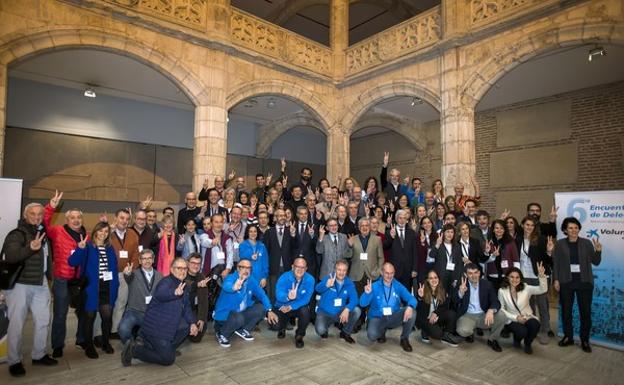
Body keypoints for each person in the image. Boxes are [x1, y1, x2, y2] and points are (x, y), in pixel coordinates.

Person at [3, 203, 57, 377]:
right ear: (25, 215)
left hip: (40, 283)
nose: (37, 217)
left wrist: (49, 277)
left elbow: (47, 258)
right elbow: (10, 256)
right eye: (32, 214)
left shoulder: (42, 233)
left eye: (40, 214)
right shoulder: (17, 234)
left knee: (43, 320)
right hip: (21, 284)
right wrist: (29, 248)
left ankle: (39, 354)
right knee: (17, 324)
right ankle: (14, 361)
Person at [121, 257, 201, 367]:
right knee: (168, 359)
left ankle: (164, 348)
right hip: (157, 328)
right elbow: (161, 294)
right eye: (179, 268)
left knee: (187, 325)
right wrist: (174, 293)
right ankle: (134, 350)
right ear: (172, 270)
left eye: (185, 268)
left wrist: (193, 323)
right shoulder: (166, 282)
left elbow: (186, 307)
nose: (183, 271)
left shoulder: (184, 285)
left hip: (168, 325)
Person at [43, 190, 88, 358]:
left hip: (79, 281)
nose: (76, 220)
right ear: (67, 219)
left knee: (83, 311)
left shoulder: (86, 236)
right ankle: (57, 345)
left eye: (79, 217)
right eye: (72, 217)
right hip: (62, 279)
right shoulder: (57, 232)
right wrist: (51, 207)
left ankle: (81, 339)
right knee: (60, 314)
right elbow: (44, 224)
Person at [69, 221, 119, 358]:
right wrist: (80, 248)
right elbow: (72, 262)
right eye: (101, 230)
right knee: (89, 318)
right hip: (91, 288)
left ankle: (105, 342)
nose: (103, 234)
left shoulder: (109, 248)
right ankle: (89, 346)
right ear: (95, 231)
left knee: (107, 317)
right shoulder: (88, 247)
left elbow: (113, 268)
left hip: (107, 287)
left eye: (106, 231)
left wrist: (116, 285)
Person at [553, 217, 602, 353]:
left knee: (585, 313)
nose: (574, 230)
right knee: (566, 312)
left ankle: (584, 339)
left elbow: (596, 262)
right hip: (566, 282)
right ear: (565, 230)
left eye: (576, 227)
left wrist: (598, 251)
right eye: (570, 228)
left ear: (579, 229)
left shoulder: (586, 243)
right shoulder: (560, 244)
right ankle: (568, 337)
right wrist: (556, 280)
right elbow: (556, 263)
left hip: (584, 282)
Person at [213, 259, 279, 347]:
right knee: (238, 318)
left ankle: (242, 329)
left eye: (248, 268)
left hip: (239, 313)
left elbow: (262, 295)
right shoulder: (231, 278)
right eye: (243, 267)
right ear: (237, 268)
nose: (246, 270)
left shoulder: (250, 279)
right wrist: (234, 287)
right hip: (225, 315)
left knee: (261, 309)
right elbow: (226, 286)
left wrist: (269, 310)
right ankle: (222, 334)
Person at [360, 262, 416, 352]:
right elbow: (362, 303)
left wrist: (410, 306)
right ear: (382, 273)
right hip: (377, 317)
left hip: (393, 316)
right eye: (386, 273)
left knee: (412, 312)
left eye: (391, 273)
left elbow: (411, 298)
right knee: (372, 336)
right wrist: (367, 293)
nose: (389, 276)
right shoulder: (374, 286)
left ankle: (404, 339)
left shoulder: (398, 285)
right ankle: (382, 331)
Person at [517, 216, 555, 343]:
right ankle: (533, 328)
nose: (529, 227)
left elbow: (549, 261)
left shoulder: (541, 240)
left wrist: (549, 252)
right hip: (523, 277)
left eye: (532, 225)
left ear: (535, 227)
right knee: (528, 305)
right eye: (527, 224)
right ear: (522, 225)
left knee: (542, 305)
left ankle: (545, 330)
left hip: (538, 276)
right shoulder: (518, 239)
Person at [455, 263, 506, 352]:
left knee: (502, 315)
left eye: (476, 272)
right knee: (463, 331)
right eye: (470, 273)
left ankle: (492, 339)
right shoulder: (462, 284)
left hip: (483, 315)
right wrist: (460, 293)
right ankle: (470, 332)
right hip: (468, 315)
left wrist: (491, 310)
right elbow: (454, 301)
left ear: (479, 273)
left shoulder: (487, 284)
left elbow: (496, 302)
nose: (474, 275)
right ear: (465, 275)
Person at [498, 264, 548, 354]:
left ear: (520, 278)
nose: (515, 280)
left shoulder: (526, 287)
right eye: (512, 277)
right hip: (512, 318)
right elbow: (501, 309)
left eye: (517, 277)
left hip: (527, 316)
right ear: (507, 278)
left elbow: (542, 289)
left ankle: (527, 343)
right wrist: (516, 318)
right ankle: (517, 339)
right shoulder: (502, 291)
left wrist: (541, 276)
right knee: (522, 332)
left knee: (535, 325)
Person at [118, 249, 163, 344]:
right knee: (123, 330)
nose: (147, 261)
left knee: (158, 335)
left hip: (152, 313)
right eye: (144, 259)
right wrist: (127, 273)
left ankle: (142, 338)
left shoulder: (160, 276)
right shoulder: (133, 273)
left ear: (153, 260)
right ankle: (130, 345)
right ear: (139, 261)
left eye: (149, 258)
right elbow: (128, 277)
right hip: (134, 311)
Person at [269, 257, 314, 348]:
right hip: (282, 305)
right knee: (275, 326)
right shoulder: (284, 277)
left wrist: (291, 306)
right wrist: (288, 297)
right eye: (297, 266)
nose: (300, 269)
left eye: (303, 267)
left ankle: (299, 335)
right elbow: (278, 295)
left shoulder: (310, 279)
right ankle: (282, 328)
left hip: (297, 306)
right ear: (292, 267)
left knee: (305, 312)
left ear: (306, 269)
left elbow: (306, 299)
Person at [109, 208, 140, 338]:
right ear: (116, 218)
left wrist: (131, 268)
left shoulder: (133, 234)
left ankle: (115, 330)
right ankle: (100, 332)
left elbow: (135, 254)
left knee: (121, 302)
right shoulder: (108, 233)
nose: (124, 221)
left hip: (124, 274)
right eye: (122, 218)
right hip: (108, 274)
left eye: (127, 219)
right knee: (106, 303)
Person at [314, 260, 361, 343]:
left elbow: (355, 299)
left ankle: (345, 333)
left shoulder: (349, 283)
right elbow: (317, 289)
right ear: (335, 270)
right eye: (339, 270)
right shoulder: (329, 278)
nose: (341, 272)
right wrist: (326, 285)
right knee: (320, 330)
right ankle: (325, 328)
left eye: (344, 270)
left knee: (357, 311)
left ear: (347, 271)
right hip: (325, 313)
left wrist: (347, 309)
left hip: (340, 313)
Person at [415, 270, 458, 346]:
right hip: (426, 319)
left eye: (435, 277)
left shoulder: (442, 290)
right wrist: (420, 298)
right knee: (437, 334)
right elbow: (419, 312)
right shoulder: (422, 290)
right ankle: (425, 331)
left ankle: (446, 336)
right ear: (427, 280)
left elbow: (444, 307)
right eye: (431, 278)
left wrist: (436, 313)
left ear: (438, 278)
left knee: (452, 314)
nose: (434, 280)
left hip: (436, 317)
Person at [264, 209, 299, 301]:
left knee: (287, 291)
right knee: (273, 292)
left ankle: (286, 313)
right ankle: (273, 313)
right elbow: (265, 252)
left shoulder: (290, 231)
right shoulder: (269, 232)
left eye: (284, 215)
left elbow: (295, 248)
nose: (283, 217)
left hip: (287, 267)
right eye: (280, 215)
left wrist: (293, 235)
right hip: (273, 268)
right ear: (275, 218)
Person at [384, 209, 417, 292]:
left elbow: (415, 252)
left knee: (406, 294)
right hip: (394, 270)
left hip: (408, 270)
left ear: (407, 220)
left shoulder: (412, 233)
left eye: (404, 218)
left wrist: (414, 269)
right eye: (400, 218)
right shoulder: (389, 232)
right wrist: (391, 237)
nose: (402, 220)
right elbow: (385, 247)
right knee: (394, 293)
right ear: (396, 219)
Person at [184, 253, 211, 343]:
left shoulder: (201, 277)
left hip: (195, 310)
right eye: (193, 263)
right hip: (183, 311)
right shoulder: (182, 275)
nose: (196, 266)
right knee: (185, 328)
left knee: (197, 337)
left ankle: (189, 329)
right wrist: (196, 285)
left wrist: (201, 318)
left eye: (198, 263)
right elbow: (187, 286)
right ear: (187, 263)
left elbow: (204, 301)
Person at [199, 213, 233, 278]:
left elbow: (230, 255)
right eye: (216, 222)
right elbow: (204, 242)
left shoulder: (227, 238)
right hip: (208, 272)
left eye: (221, 222)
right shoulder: (205, 236)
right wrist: (212, 242)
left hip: (223, 272)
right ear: (211, 224)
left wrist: (227, 269)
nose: (219, 224)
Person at [238, 224, 269, 289]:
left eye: (255, 231)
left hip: (259, 279)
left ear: (257, 233)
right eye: (250, 231)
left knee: (259, 298)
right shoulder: (243, 245)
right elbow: (241, 255)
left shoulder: (262, 246)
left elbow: (265, 264)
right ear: (247, 233)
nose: (253, 233)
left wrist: (264, 277)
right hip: (246, 278)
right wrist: (250, 256)